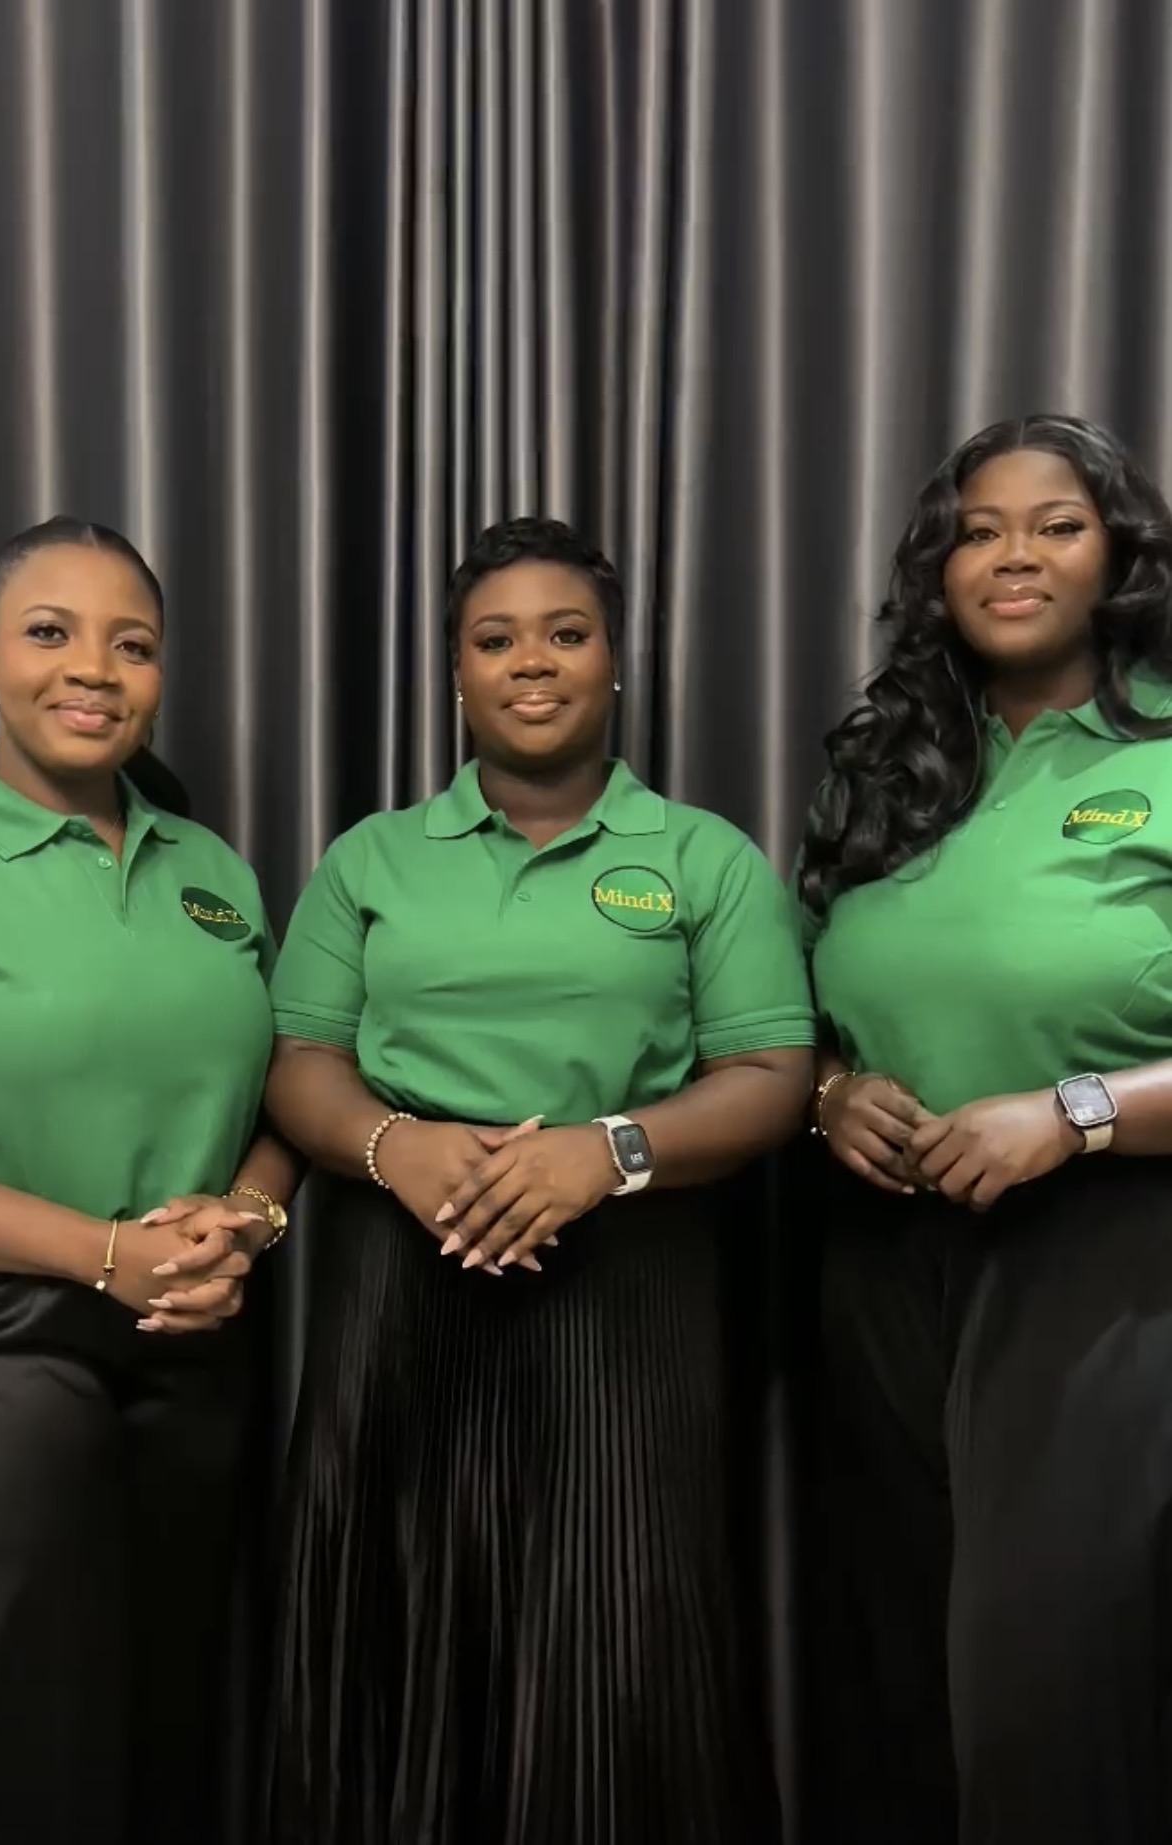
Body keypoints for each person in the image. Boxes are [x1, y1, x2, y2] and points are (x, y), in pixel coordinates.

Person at [261, 514, 815, 1845]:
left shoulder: (700, 855)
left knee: (619, 1631)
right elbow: (298, 1065)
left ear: (615, 661)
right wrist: (397, 1148)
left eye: (566, 634)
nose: (531, 663)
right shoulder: (372, 857)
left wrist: (604, 1151)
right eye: (494, 639)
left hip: (629, 1277)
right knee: (394, 1623)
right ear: (454, 672)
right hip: (400, 1273)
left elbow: (772, 1075)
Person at [0, 516, 299, 1845]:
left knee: (178, 1737)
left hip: (193, 1337)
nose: (94, 671)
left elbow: (281, 1105)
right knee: (45, 1749)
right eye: (51, 633)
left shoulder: (212, 872)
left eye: (133, 645)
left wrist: (246, 1220)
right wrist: (101, 1253)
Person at [799, 414, 1172, 1845]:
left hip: (1106, 1258)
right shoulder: (884, 767)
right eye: (978, 531)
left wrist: (1074, 1114)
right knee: (895, 1668)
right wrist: (832, 1094)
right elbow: (806, 1013)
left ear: (1118, 557)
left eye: (1056, 526)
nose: (1013, 556)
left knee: (1044, 1687)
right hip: (883, 1259)